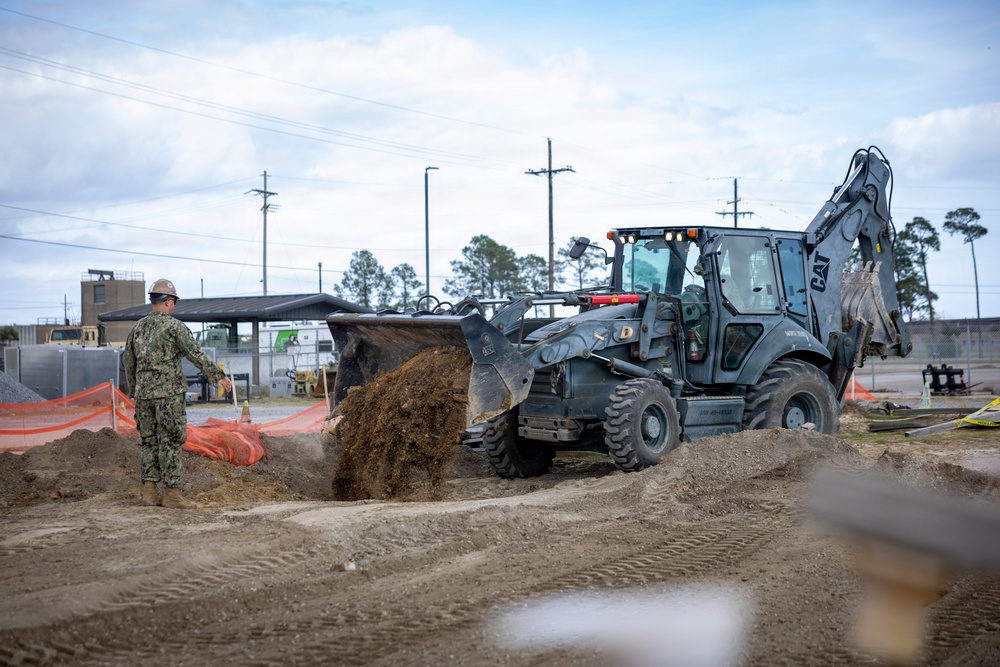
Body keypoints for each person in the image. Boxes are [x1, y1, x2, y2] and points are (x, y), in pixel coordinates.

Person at [124, 278, 233, 509]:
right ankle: (172, 495)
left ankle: (150, 492)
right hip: (168, 395)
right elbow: (196, 354)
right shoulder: (175, 327)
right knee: (170, 441)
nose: (174, 306)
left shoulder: (137, 328)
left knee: (149, 441)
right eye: (173, 302)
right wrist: (218, 376)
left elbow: (128, 362)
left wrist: (135, 390)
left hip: (144, 396)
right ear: (168, 302)